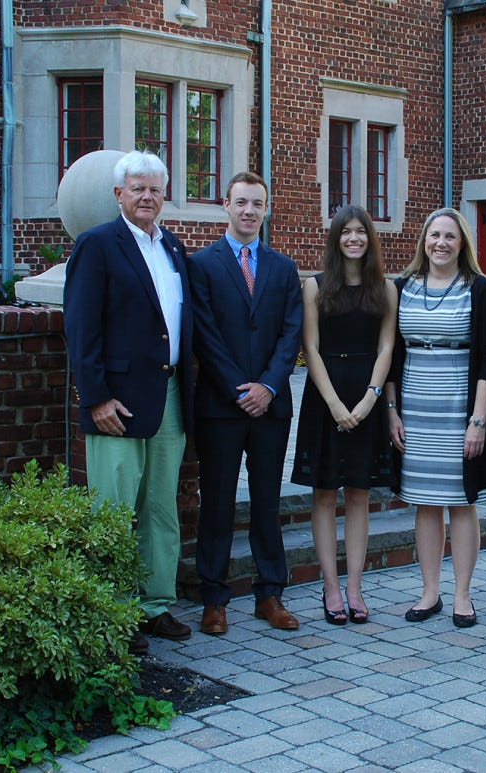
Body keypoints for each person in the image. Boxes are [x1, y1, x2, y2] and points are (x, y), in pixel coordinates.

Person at [63, 149, 193, 655]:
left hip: (169, 396)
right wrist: (95, 398)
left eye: (155, 189)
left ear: (165, 195)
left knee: (161, 507)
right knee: (112, 510)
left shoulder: (174, 248)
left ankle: (155, 605)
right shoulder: (97, 245)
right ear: (119, 194)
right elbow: (81, 326)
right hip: (115, 402)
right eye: (137, 188)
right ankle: (112, 612)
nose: (147, 196)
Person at [188, 171, 303, 635]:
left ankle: (270, 594)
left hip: (270, 408)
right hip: (220, 406)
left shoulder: (282, 268)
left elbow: (290, 332)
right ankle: (214, 598)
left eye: (258, 203)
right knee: (216, 503)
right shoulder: (202, 265)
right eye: (241, 202)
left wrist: (268, 387)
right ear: (226, 205)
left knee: (266, 503)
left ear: (267, 207)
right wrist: (241, 388)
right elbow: (205, 335)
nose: (249, 211)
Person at [385, 207, 486, 628]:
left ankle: (462, 595)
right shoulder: (402, 287)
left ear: (462, 243)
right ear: (424, 240)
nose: (441, 243)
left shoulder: (480, 290)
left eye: (450, 236)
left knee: (461, 501)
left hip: (459, 408)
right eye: (434, 235)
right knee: (425, 502)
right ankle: (430, 591)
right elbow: (393, 355)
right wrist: (392, 410)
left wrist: (479, 420)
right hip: (416, 408)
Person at [291, 205, 398, 625]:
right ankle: (330, 585)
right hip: (325, 397)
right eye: (346, 232)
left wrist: (371, 399)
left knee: (358, 493)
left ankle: (354, 586)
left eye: (361, 232)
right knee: (323, 492)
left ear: (370, 239)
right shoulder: (315, 287)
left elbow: (387, 348)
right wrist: (335, 403)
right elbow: (310, 349)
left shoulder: (385, 289)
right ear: (335, 239)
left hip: (366, 396)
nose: (354, 238)